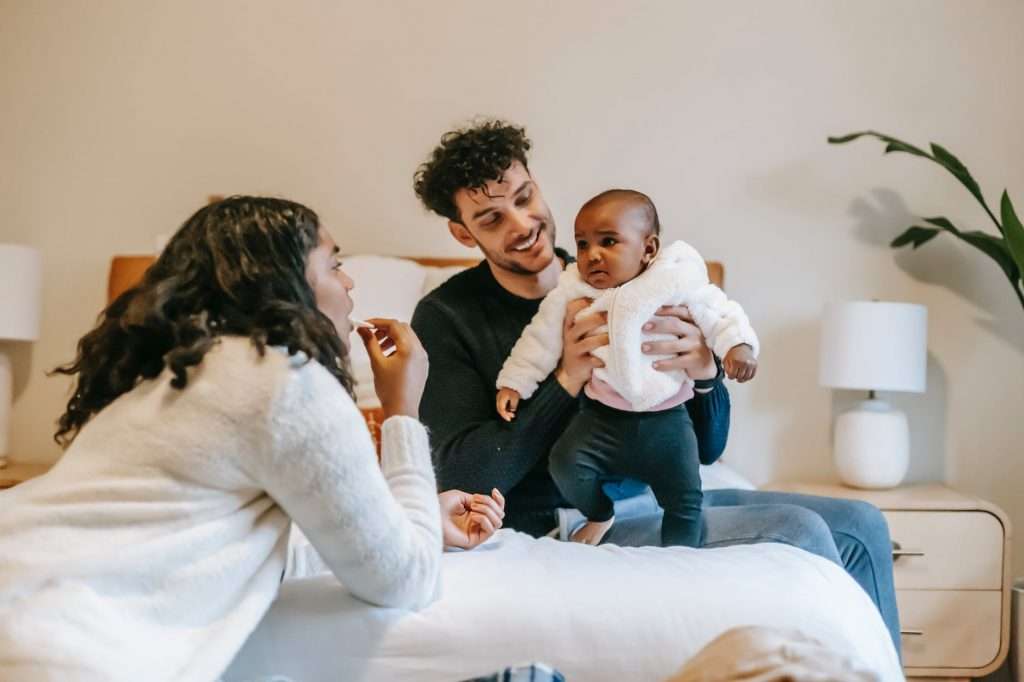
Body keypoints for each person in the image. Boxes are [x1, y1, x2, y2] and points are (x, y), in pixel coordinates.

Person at [410, 120, 901, 655]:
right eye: (491, 218)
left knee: (862, 521)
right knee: (799, 531)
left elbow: (709, 450)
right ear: (464, 233)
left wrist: (705, 374)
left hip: (662, 490)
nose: (523, 223)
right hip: (568, 518)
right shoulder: (448, 316)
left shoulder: (629, 283)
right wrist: (566, 378)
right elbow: (463, 473)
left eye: (526, 197)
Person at [0, 197, 504, 681]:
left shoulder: (170, 378)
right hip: (61, 648)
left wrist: (412, 518)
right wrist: (402, 410)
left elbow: (232, 544)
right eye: (335, 265)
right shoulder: (288, 382)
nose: (349, 283)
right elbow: (405, 581)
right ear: (282, 283)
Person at [495, 188, 758, 545]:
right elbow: (539, 339)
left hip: (666, 417)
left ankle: (681, 559)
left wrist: (738, 346)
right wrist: (515, 382)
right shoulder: (573, 290)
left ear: (648, 249)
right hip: (602, 416)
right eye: (583, 245)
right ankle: (601, 512)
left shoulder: (675, 281)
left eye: (608, 241)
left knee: (685, 497)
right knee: (565, 465)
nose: (592, 255)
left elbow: (721, 313)